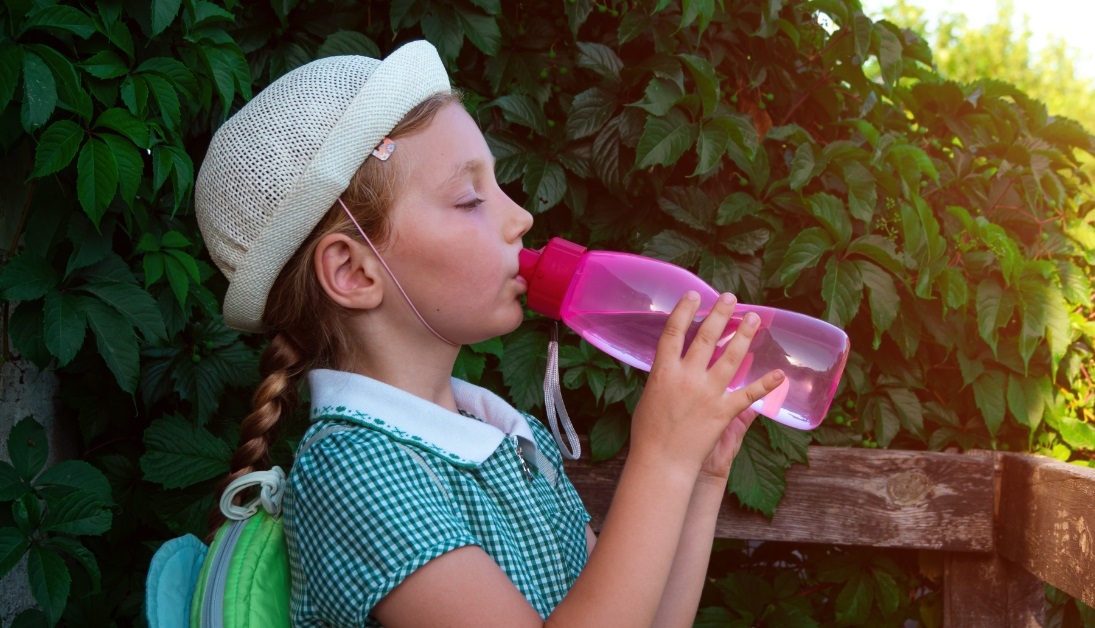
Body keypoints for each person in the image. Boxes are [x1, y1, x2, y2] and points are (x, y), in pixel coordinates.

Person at [194, 40, 784, 627]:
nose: (521, 217)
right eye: (470, 198)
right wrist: (661, 460)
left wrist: (700, 475)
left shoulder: (508, 434)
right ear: (353, 271)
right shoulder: (353, 472)